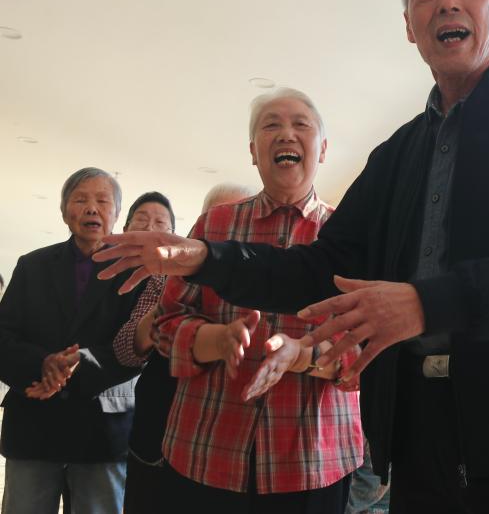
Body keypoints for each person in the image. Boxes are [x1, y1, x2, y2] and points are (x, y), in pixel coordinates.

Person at [96, 0, 489, 513]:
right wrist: (202, 257)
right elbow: (319, 269)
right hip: (414, 439)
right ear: (409, 25)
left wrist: (425, 304)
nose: (447, 1)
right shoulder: (394, 156)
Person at [155, 88, 362, 513]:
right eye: (271, 125)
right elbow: (165, 323)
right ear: (253, 151)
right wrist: (217, 340)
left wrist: (302, 355)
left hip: (312, 461)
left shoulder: (351, 236)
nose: (286, 134)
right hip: (206, 450)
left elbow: (367, 349)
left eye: (301, 124)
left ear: (323, 149)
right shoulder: (213, 225)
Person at [0, 167, 141, 514]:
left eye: (102, 201)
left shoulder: (135, 273)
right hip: (34, 424)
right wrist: (42, 365)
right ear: (64, 212)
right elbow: (3, 336)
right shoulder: (32, 266)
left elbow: (137, 348)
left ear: (116, 214)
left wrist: (77, 366)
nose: (92, 208)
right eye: (80, 200)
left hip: (101, 430)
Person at [111, 191, 176, 514]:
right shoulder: (164, 282)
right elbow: (125, 346)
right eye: (142, 220)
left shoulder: (169, 277)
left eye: (160, 223)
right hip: (138, 432)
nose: (150, 229)